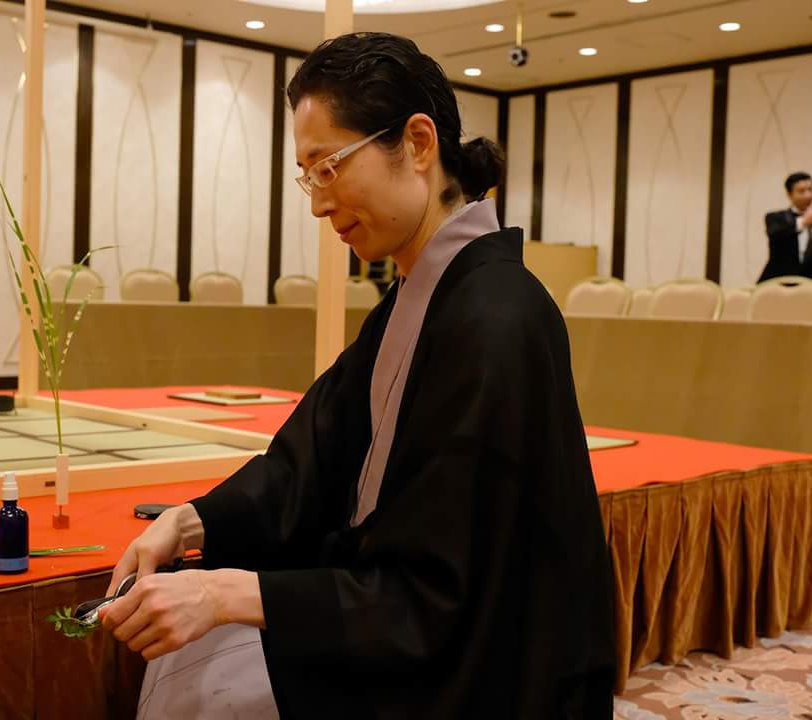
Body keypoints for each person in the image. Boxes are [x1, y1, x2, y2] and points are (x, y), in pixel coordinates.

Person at [99, 32, 615, 719]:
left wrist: (226, 594)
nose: (317, 202)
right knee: (193, 650)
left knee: (202, 678)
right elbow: (309, 460)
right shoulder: (418, 297)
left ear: (418, 143)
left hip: (478, 671)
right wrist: (190, 523)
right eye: (307, 174)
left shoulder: (496, 320)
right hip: (403, 622)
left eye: (329, 166)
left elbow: (443, 591)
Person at [758, 171, 812, 282]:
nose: (808, 195)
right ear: (789, 194)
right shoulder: (775, 217)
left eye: (810, 190)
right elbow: (775, 233)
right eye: (802, 191)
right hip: (778, 281)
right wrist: (804, 222)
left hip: (810, 283)